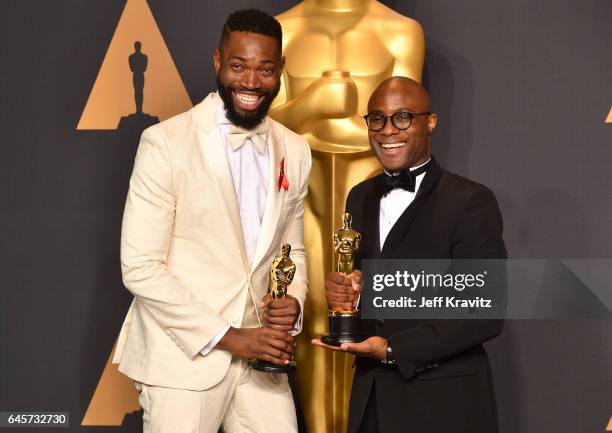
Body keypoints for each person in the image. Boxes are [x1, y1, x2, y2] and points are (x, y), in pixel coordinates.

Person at [112, 9, 311, 433]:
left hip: (262, 362)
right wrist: (229, 335)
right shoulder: (165, 143)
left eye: (265, 69)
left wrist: (292, 304)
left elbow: (292, 249)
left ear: (281, 71)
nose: (251, 83)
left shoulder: (294, 150)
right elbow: (141, 267)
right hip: (183, 358)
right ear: (218, 62)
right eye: (239, 66)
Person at [312, 76, 507, 433]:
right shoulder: (359, 196)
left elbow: (484, 311)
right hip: (372, 402)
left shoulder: (469, 201)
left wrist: (391, 350)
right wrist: (348, 295)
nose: (388, 130)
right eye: (377, 119)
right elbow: (369, 289)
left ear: (430, 121)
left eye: (402, 117)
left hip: (445, 406)